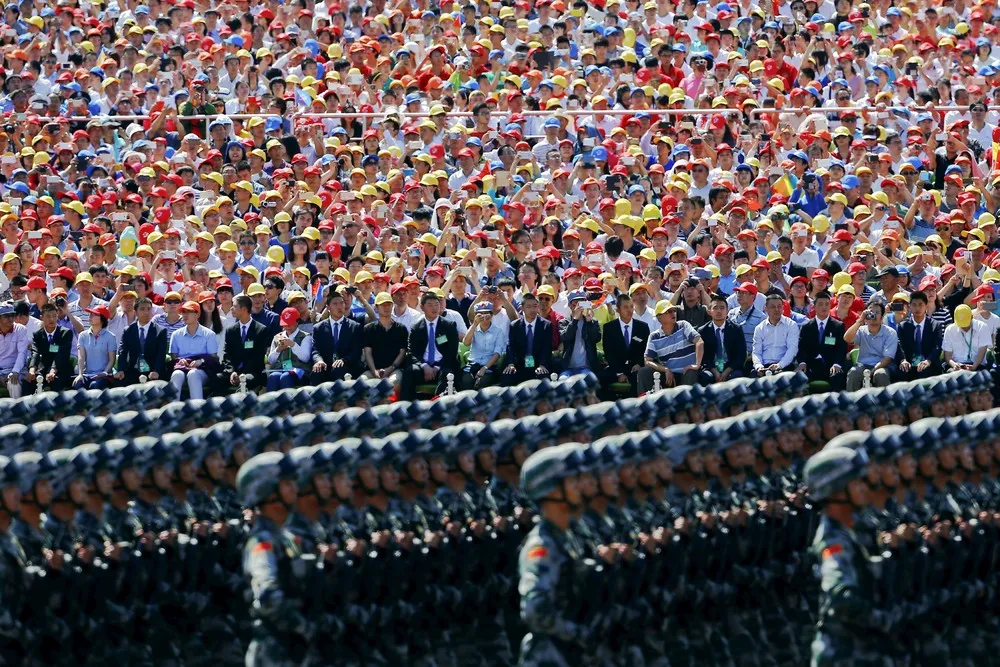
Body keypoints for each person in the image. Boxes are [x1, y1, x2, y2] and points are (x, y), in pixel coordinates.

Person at [805, 439, 893, 667]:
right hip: (841, 655)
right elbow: (839, 594)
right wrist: (878, 618)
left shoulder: (849, 531)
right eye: (856, 483)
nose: (864, 488)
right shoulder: (833, 540)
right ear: (836, 491)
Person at [237, 451, 313, 667]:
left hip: (292, 651)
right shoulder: (263, 543)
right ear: (267, 492)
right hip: (273, 654)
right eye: (286, 484)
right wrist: (304, 626)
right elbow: (268, 597)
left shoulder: (285, 538)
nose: (294, 489)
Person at [518, 444, 587, 667]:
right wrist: (576, 631)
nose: (581, 487)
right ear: (551, 491)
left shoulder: (569, 536)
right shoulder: (541, 546)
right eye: (573, 482)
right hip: (549, 657)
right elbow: (534, 610)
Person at [401, 292, 460, 399]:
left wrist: (436, 367)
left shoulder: (449, 326)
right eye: (430, 305)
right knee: (410, 372)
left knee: (447, 373)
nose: (434, 308)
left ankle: (438, 404)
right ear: (422, 307)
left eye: (437, 304)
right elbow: (412, 352)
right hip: (423, 366)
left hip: (442, 365)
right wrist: (424, 366)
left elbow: (451, 352)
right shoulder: (416, 327)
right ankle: (406, 406)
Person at [639, 300, 704, 392]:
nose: (673, 313)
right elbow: (647, 361)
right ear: (659, 318)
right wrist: (665, 370)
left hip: (687, 373)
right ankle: (646, 404)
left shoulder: (683, 325)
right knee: (644, 372)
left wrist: (697, 365)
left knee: (691, 373)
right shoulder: (654, 336)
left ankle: (689, 406)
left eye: (674, 310)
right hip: (668, 377)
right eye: (668, 311)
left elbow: (699, 342)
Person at [220, 294, 273, 392]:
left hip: (252, 372)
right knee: (218, 379)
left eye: (235, 306)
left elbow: (258, 358)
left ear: (244, 309)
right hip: (233, 371)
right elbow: (227, 354)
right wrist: (232, 371)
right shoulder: (230, 330)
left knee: (247, 381)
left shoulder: (260, 330)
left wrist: (241, 375)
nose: (232, 308)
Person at [600, 293, 650, 396]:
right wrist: (619, 373)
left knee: (640, 377)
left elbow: (646, 349)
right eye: (625, 307)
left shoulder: (643, 327)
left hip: (635, 368)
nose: (630, 310)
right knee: (601, 378)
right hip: (616, 367)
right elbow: (609, 353)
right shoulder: (609, 328)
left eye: (631, 306)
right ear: (618, 309)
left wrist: (640, 364)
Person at [796, 291, 848, 390]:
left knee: (837, 376)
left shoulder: (838, 326)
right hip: (811, 366)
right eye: (820, 304)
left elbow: (841, 349)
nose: (824, 307)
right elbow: (802, 348)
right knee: (799, 377)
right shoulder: (807, 327)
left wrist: (836, 364)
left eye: (827, 304)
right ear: (814, 306)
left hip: (831, 365)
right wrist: (802, 362)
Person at [311, 287, 363, 384]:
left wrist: (344, 360)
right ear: (328, 308)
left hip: (346, 366)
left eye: (342, 303)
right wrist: (319, 361)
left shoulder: (354, 326)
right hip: (326, 365)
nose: (339, 306)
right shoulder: (319, 328)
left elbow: (356, 351)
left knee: (339, 370)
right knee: (317, 371)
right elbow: (315, 350)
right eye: (335, 304)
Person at [169, 301, 220, 399]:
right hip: (182, 369)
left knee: (193, 374)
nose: (185, 315)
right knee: (176, 374)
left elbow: (213, 358)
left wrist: (201, 361)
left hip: (202, 370)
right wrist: (180, 361)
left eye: (188, 311)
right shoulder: (176, 335)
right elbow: (173, 358)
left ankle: (197, 408)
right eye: (183, 312)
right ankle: (173, 409)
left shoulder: (209, 334)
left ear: (198, 314)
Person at [115, 297, 169, 386]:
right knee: (119, 384)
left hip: (153, 371)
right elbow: (123, 352)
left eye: (149, 309)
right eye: (142, 309)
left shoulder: (160, 331)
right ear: (136, 312)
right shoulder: (128, 330)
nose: (146, 312)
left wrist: (156, 371)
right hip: (134, 370)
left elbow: (161, 354)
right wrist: (120, 369)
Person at [504, 292, 554, 385]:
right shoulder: (515, 325)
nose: (532, 310)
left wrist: (542, 365)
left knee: (543, 375)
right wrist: (511, 364)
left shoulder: (546, 325)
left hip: (538, 364)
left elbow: (547, 348)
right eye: (529, 307)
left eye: (535, 306)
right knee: (508, 376)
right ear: (522, 308)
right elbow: (511, 345)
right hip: (520, 364)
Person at [844, 301, 898, 390]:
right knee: (853, 372)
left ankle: (885, 403)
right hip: (863, 364)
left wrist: (872, 371)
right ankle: (852, 402)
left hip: (883, 365)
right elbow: (847, 338)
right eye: (871, 312)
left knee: (880, 374)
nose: (874, 315)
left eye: (877, 312)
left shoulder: (890, 332)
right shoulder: (861, 330)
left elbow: (888, 358)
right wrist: (860, 321)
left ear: (882, 317)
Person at [895, 291, 944, 381]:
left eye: (920, 304)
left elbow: (937, 346)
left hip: (928, 362)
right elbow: (899, 344)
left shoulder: (935, 325)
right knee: (902, 372)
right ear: (909, 307)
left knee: (925, 372)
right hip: (909, 362)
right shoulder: (903, 326)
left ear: (926, 306)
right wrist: (903, 360)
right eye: (914, 305)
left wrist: (928, 361)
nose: (917, 308)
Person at [699, 293, 748, 381]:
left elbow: (741, 356)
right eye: (715, 308)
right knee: (705, 376)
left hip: (731, 367)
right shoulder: (703, 331)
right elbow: (703, 358)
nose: (719, 311)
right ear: (709, 311)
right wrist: (714, 371)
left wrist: (727, 370)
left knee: (736, 376)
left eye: (722, 308)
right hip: (711, 368)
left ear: (727, 311)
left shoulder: (736, 329)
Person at [362, 292, 409, 382]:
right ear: (376, 307)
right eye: (383, 305)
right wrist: (374, 371)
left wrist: (390, 369)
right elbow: (367, 353)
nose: (386, 307)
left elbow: (402, 353)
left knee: (393, 382)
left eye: (389, 304)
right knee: (362, 382)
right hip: (372, 370)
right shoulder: (368, 329)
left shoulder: (401, 329)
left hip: (395, 370)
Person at [461, 301, 508, 390]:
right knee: (466, 382)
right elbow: (466, 343)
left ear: (492, 314)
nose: (484, 316)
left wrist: (485, 368)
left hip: (489, 367)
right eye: (480, 314)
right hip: (472, 365)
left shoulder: (498, 332)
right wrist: (475, 324)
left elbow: (497, 353)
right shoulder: (473, 329)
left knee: (481, 383)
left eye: (487, 313)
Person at [27, 302, 73, 391]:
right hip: (43, 367)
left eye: (54, 316)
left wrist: (53, 370)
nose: (51, 319)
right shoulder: (38, 335)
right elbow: (35, 353)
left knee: (55, 382)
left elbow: (61, 354)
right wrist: (32, 370)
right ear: (41, 318)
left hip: (60, 368)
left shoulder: (65, 333)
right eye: (48, 316)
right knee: (29, 382)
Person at [751, 294, 801, 376]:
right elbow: (756, 352)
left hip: (784, 366)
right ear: (766, 308)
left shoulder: (791, 325)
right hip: (764, 366)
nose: (777, 309)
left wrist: (780, 365)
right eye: (773, 307)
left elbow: (792, 349)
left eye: (779, 306)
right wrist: (759, 366)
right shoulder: (759, 328)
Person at [265, 308, 313, 391]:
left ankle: (288, 403)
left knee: (286, 377)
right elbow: (271, 361)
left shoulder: (305, 337)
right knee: (273, 377)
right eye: (285, 324)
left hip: (300, 371)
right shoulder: (277, 337)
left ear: (297, 322)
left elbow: (306, 358)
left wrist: (293, 345)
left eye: (290, 324)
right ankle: (271, 402)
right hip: (281, 369)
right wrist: (278, 349)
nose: (287, 327)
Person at [559, 290, 602, 378]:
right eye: (576, 302)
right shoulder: (564, 322)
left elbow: (596, 338)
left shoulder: (592, 322)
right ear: (569, 305)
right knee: (562, 381)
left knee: (588, 382)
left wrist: (590, 322)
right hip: (568, 368)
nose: (579, 305)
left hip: (586, 367)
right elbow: (565, 337)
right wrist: (574, 320)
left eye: (582, 302)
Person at [74, 305, 117, 390]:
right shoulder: (83, 335)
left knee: (95, 386)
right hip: (87, 375)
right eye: (90, 314)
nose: (90, 316)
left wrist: (104, 373)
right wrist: (80, 374)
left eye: (94, 314)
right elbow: (81, 357)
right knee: (78, 385)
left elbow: (112, 359)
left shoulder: (110, 336)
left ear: (102, 319)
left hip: (104, 376)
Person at [943, 304, 990, 372]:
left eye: (966, 323)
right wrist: (954, 365)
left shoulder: (982, 327)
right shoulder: (949, 330)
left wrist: (974, 366)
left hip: (977, 365)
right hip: (957, 365)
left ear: (972, 317)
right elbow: (947, 356)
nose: (964, 327)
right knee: (953, 375)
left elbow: (982, 351)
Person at [0, 302, 28, 398]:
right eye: (7, 316)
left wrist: (15, 372)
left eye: (12, 315)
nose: (11, 319)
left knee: (13, 382)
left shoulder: (20, 329)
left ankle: (17, 411)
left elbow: (22, 353)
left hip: (15, 370)